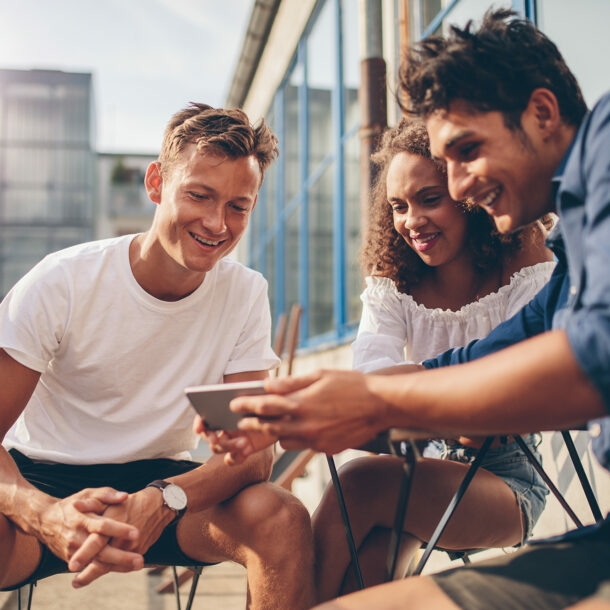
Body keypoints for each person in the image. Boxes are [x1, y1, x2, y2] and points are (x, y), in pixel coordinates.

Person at [218, 8, 610, 609]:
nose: (457, 188)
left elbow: (592, 357)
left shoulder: (605, 156)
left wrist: (373, 402)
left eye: (466, 151)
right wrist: (312, 402)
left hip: (516, 489)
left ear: (542, 112)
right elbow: (489, 353)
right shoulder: (572, 238)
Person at [0, 102, 315, 610]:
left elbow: (253, 453)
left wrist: (165, 498)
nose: (217, 223)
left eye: (239, 205)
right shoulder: (64, 280)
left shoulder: (243, 293)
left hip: (167, 488)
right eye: (199, 195)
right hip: (45, 480)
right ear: (155, 184)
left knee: (281, 517)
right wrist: (43, 514)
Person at [312, 117, 554, 601]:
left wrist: (405, 401)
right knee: (370, 570)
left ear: (469, 195)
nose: (411, 221)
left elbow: (513, 404)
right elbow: (372, 381)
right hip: (425, 464)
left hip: (509, 478)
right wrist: (426, 404)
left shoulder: (522, 261)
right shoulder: (395, 280)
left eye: (429, 199)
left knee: (357, 484)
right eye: (398, 206)